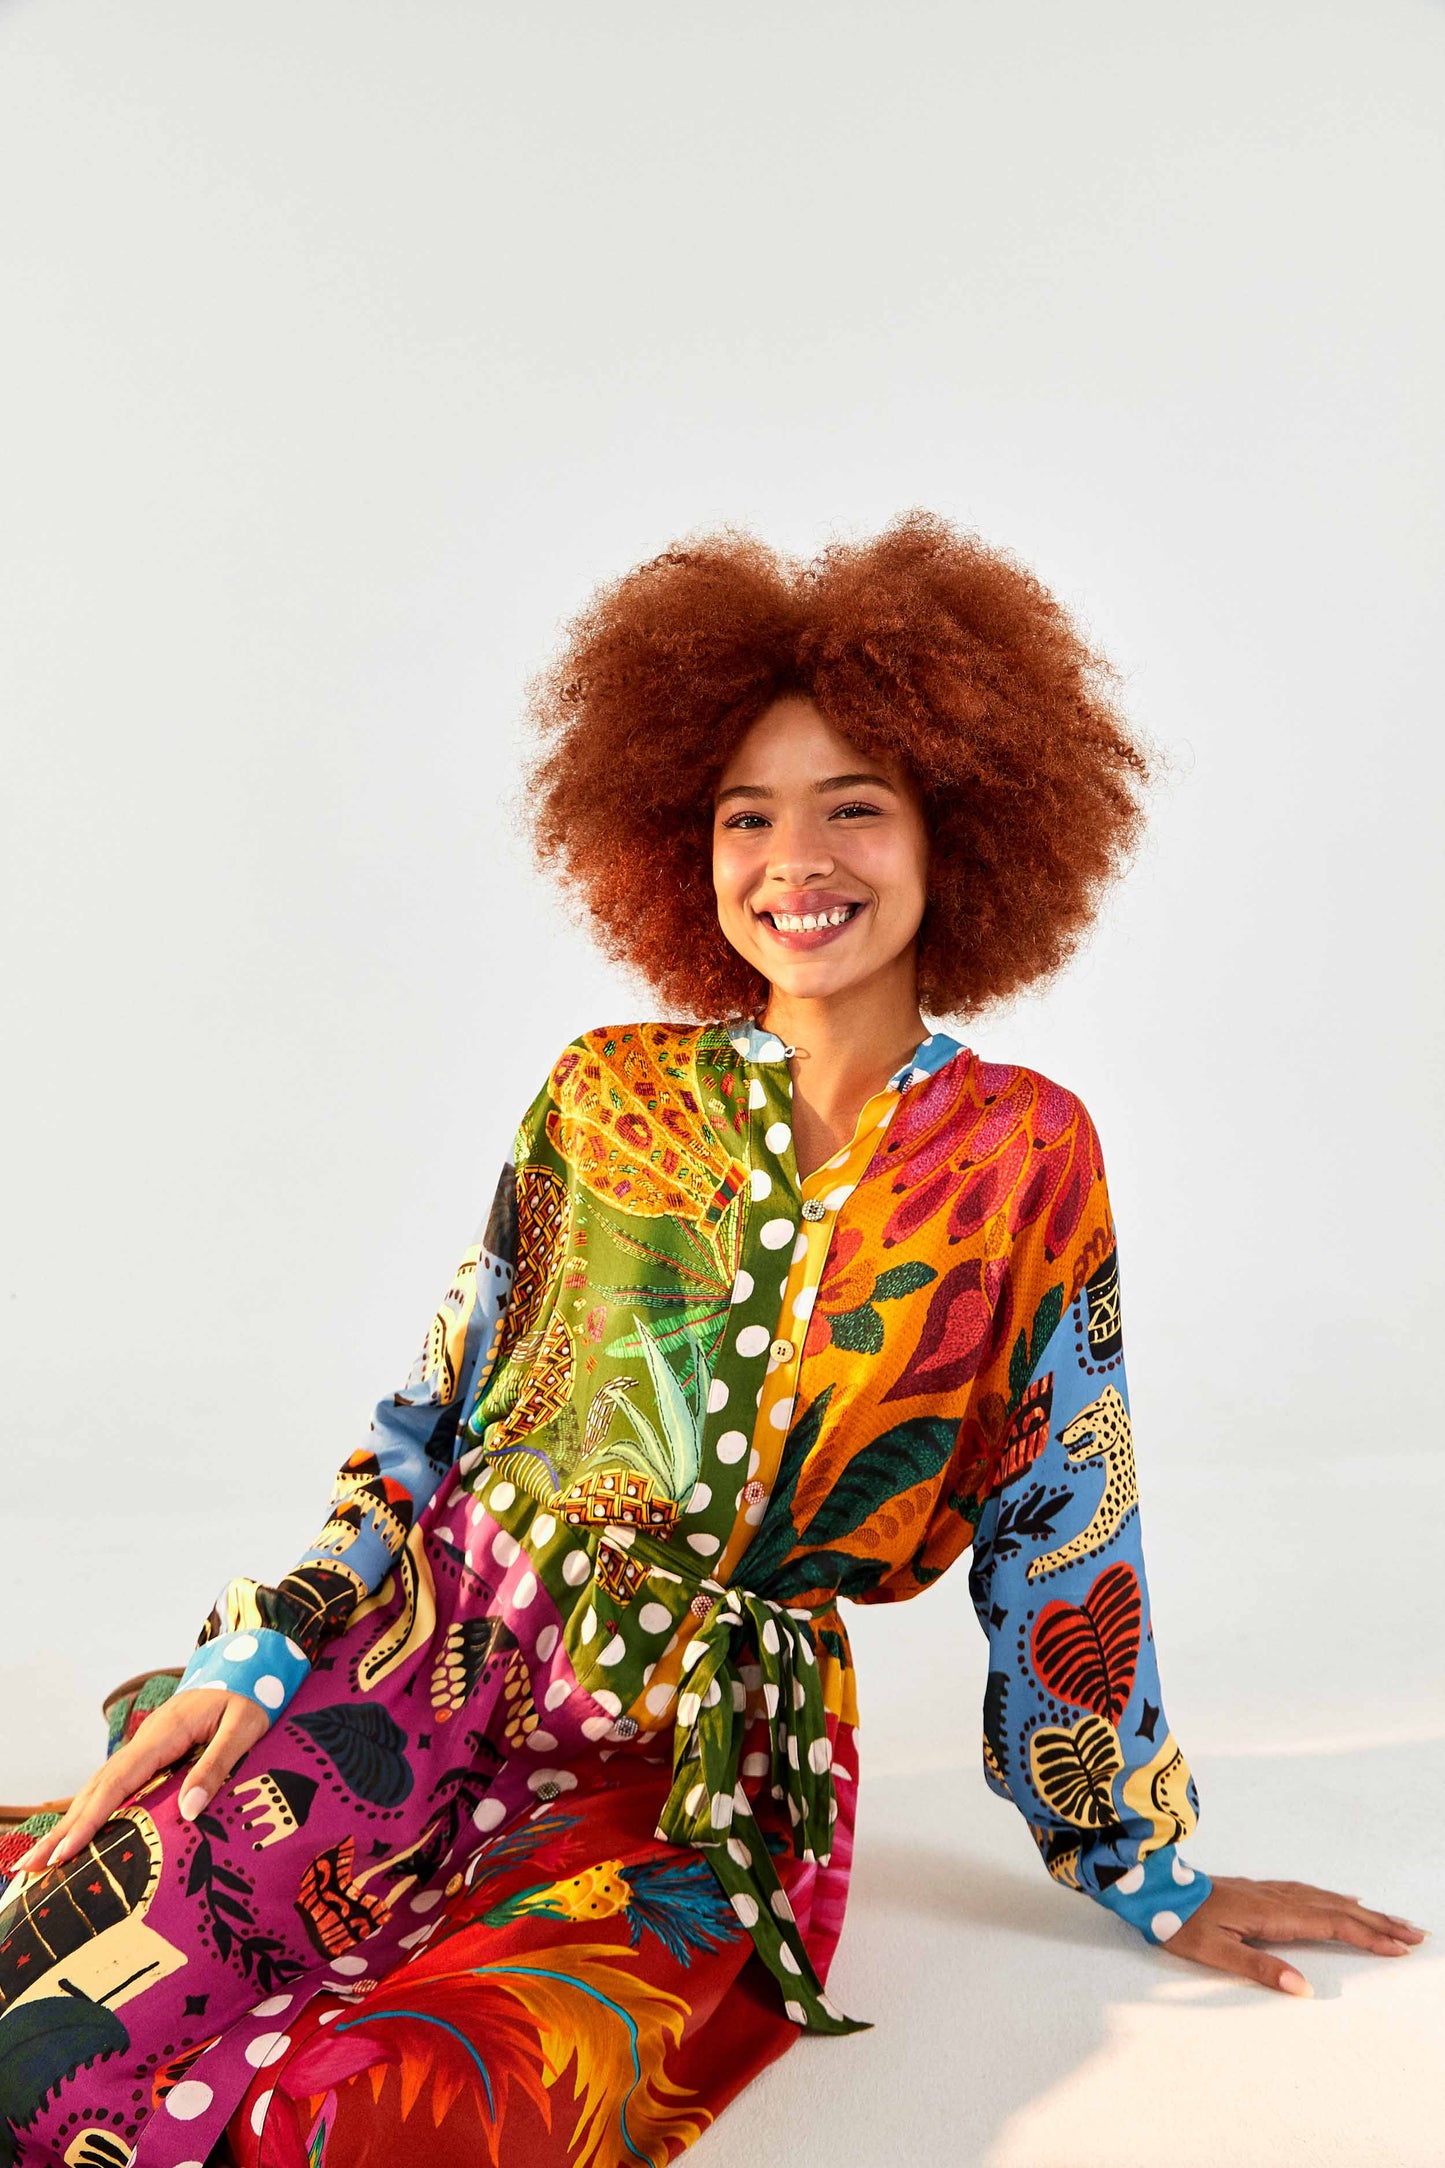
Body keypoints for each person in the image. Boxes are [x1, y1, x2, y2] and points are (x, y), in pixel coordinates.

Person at [0, 515, 1422, 2168]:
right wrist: (265, 1648)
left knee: (423, 2114)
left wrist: (1143, 1868)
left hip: (704, 1776)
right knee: (55, 2000)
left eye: (853, 808)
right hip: (423, 1666)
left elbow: (1062, 1521)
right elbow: (427, 1418)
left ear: (957, 832)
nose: (792, 861)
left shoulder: (1025, 1151)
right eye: (747, 816)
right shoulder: (604, 1089)